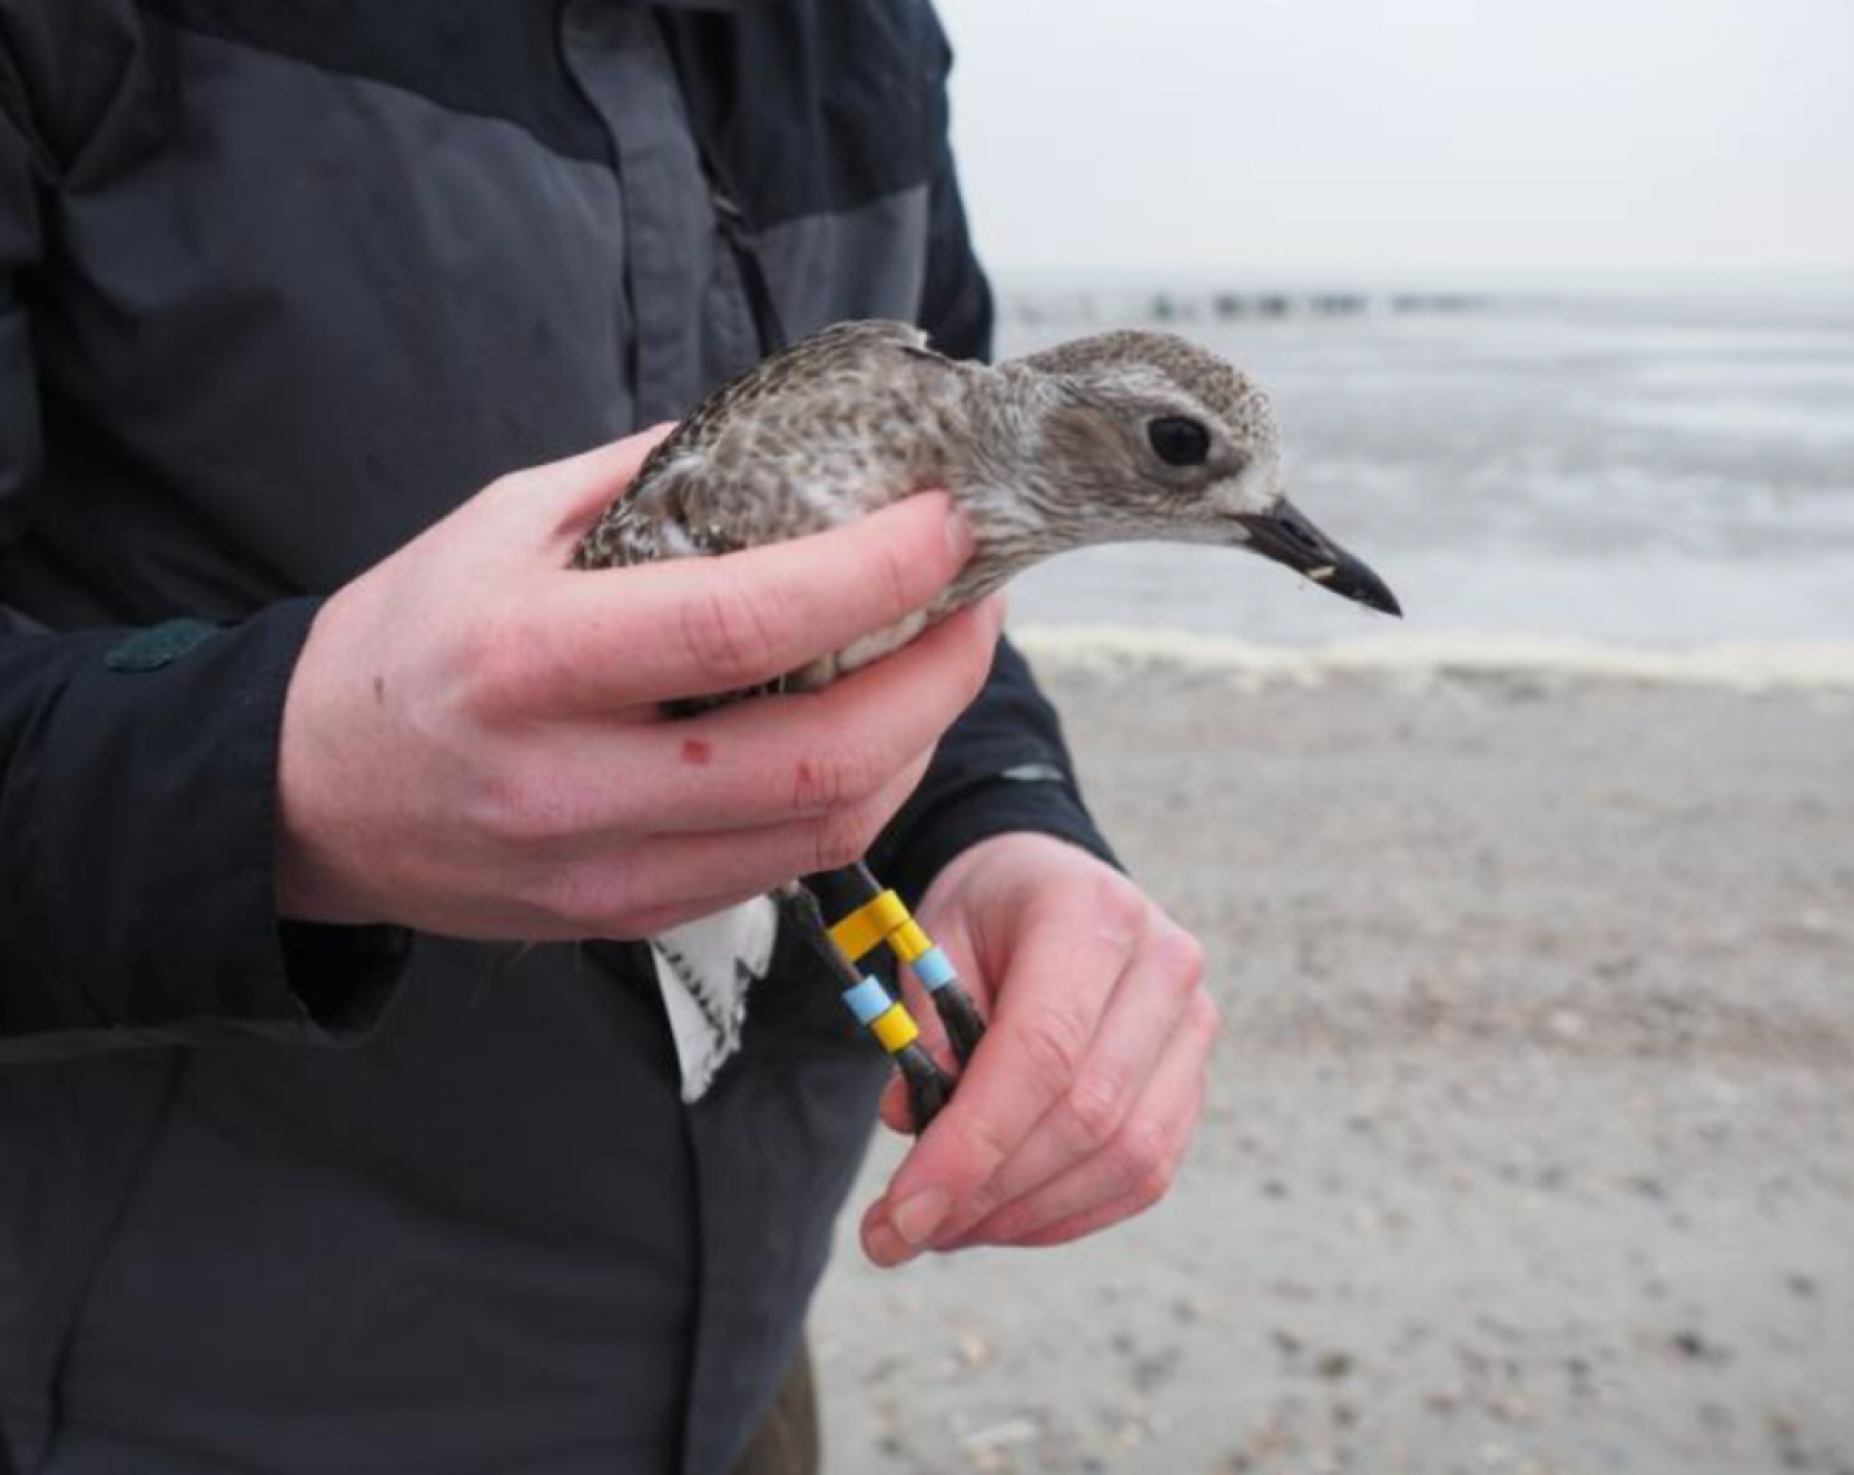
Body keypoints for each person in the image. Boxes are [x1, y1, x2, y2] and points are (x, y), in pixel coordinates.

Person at [0, 2, 1219, 1472]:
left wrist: (1004, 822)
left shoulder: (874, 30)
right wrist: (281, 777)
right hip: (170, 1380)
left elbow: (930, 567)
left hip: (740, 1360)